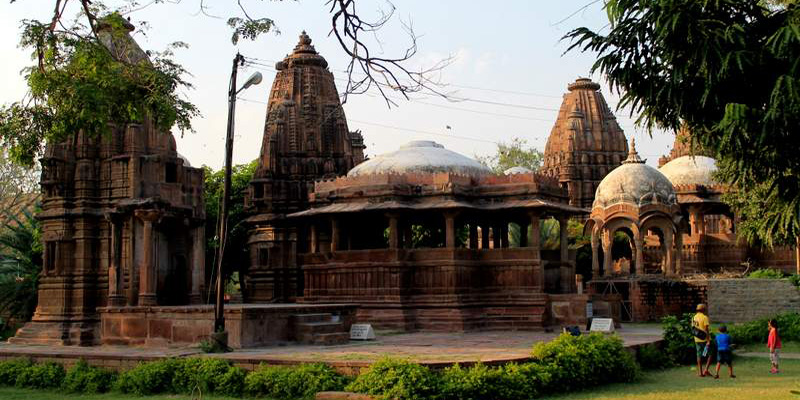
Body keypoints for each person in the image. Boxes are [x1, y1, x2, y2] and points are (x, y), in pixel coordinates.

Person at [692, 303, 712, 377]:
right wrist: (708, 340)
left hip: (697, 339)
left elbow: (693, 328)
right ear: (703, 310)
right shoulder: (704, 317)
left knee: (699, 355)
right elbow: (706, 330)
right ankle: (706, 370)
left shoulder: (694, 317)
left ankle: (700, 373)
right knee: (709, 355)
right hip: (704, 340)